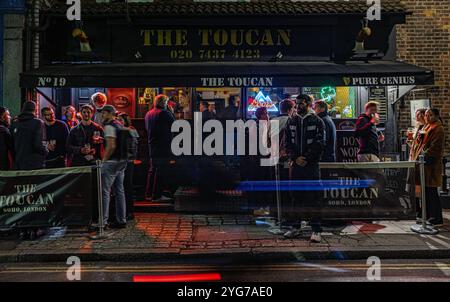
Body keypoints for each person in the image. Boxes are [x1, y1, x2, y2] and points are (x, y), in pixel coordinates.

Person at [284, 94, 325, 242]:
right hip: (297, 166)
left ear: (308, 104)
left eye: (300, 103)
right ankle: (295, 227)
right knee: (296, 196)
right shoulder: (291, 121)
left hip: (311, 165)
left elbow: (320, 143)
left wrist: (306, 158)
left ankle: (316, 230)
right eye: (296, 103)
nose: (297, 106)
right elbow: (287, 143)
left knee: (314, 197)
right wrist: (295, 158)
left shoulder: (317, 121)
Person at [415, 108, 445, 227]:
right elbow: (421, 143)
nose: (427, 117)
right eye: (426, 115)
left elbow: (435, 148)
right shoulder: (427, 127)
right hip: (424, 165)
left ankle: (436, 218)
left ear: (436, 116)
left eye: (430, 115)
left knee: (432, 192)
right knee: (426, 192)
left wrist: (423, 155)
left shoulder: (438, 129)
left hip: (431, 165)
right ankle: (427, 215)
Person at [101, 105, 128, 229]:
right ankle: (121, 219)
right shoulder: (119, 124)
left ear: (109, 113)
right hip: (122, 161)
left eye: (103, 114)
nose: (102, 116)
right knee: (119, 191)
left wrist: (103, 161)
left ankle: (104, 222)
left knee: (105, 192)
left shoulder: (109, 126)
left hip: (111, 162)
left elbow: (111, 145)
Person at [145, 94, 175, 202]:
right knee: (160, 170)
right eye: (166, 102)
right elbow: (175, 125)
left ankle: (148, 194)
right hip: (163, 145)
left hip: (152, 144)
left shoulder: (148, 113)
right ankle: (157, 195)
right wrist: (171, 111)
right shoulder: (165, 113)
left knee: (152, 169)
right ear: (164, 103)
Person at [10, 101, 48, 170]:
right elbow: (37, 145)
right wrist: (45, 151)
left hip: (19, 163)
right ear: (35, 109)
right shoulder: (38, 123)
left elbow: (11, 145)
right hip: (35, 164)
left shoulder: (15, 123)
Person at [117, 112, 139, 221]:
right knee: (120, 187)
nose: (119, 122)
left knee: (127, 186)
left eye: (121, 120)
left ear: (126, 121)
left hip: (127, 162)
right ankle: (123, 211)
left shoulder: (130, 130)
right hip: (120, 162)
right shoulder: (118, 131)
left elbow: (132, 149)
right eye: (118, 120)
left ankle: (129, 211)